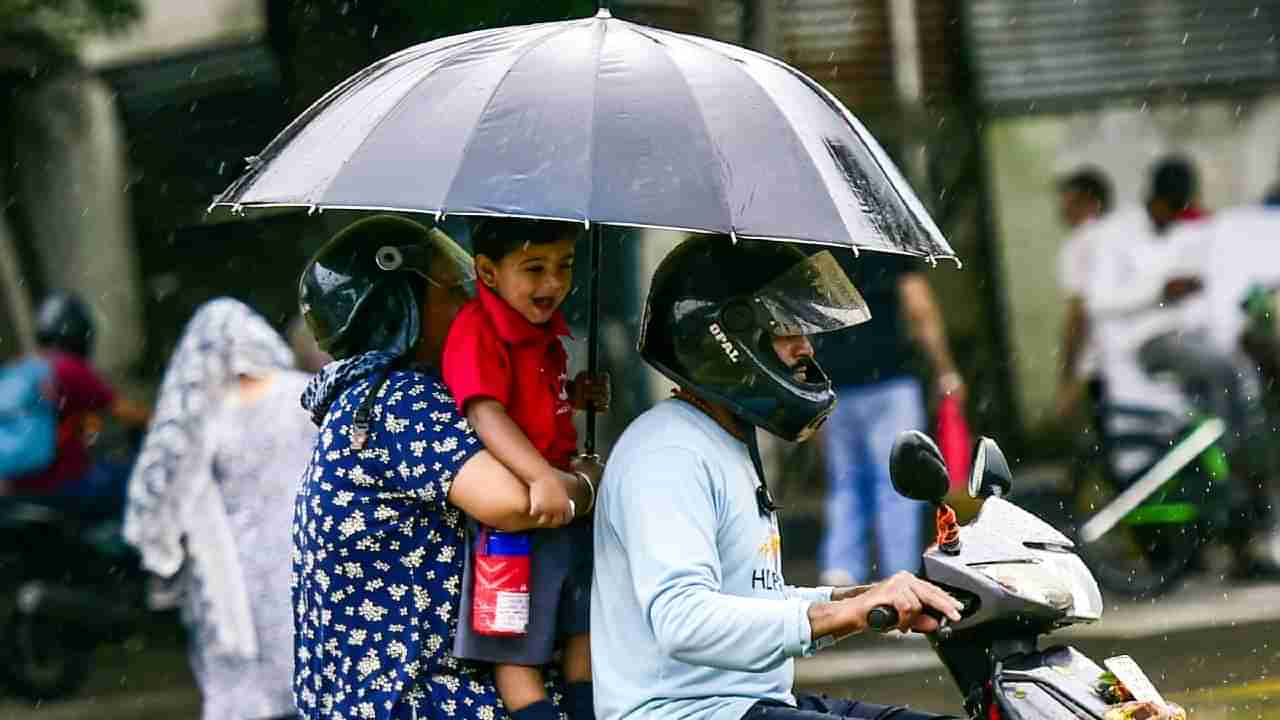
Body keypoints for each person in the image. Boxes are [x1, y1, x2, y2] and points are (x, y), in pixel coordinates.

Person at [592, 235, 965, 720]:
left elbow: (752, 601)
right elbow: (682, 621)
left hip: (753, 703)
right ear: (728, 337)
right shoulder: (669, 454)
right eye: (787, 328)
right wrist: (842, 613)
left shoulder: (722, 438)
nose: (806, 347)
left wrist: (863, 599)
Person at [291, 215, 598, 720]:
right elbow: (514, 505)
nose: (470, 304)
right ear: (400, 309)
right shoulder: (398, 399)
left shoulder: (360, 400)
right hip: (418, 697)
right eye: (453, 291)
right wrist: (587, 483)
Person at [443, 218, 606, 720]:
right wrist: (539, 477)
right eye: (534, 268)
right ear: (488, 271)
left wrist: (574, 395)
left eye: (565, 266)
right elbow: (485, 412)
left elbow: (530, 401)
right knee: (516, 650)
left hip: (563, 506)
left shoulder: (543, 328)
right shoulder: (478, 328)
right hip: (517, 522)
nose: (553, 282)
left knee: (584, 626)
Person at [123, 298, 316, 720]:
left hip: (236, 561)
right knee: (308, 648)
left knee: (249, 670)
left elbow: (179, 490)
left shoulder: (205, 416)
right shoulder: (302, 394)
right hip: (305, 546)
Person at [814, 251, 964, 587]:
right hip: (890, 378)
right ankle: (899, 575)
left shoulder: (816, 246)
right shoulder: (884, 245)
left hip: (835, 383)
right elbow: (918, 306)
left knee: (845, 481)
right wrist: (945, 369)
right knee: (896, 481)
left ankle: (841, 570)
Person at [7, 292, 149, 498]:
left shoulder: (21, 367)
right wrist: (157, 419)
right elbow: (126, 412)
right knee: (139, 479)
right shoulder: (69, 368)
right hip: (67, 483)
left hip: (18, 488)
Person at [1053, 167, 1112, 419]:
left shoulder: (1078, 244)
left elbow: (1078, 313)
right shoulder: (1122, 236)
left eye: (1069, 200)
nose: (1062, 208)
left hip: (1098, 364)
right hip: (1130, 360)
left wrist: (1066, 378)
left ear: (1090, 202)